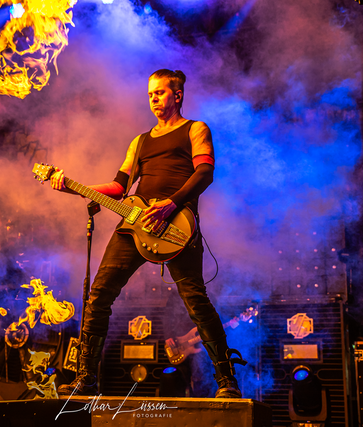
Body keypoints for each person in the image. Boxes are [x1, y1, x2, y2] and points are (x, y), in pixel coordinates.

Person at [51, 69, 244, 398]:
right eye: (150, 94)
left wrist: (172, 204)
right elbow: (118, 187)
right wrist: (72, 186)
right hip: (135, 223)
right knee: (99, 295)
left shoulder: (195, 129)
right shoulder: (140, 141)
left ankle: (226, 380)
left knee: (196, 302)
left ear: (177, 95)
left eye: (160, 92)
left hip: (178, 224)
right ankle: (86, 378)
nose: (153, 98)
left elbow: (205, 172)